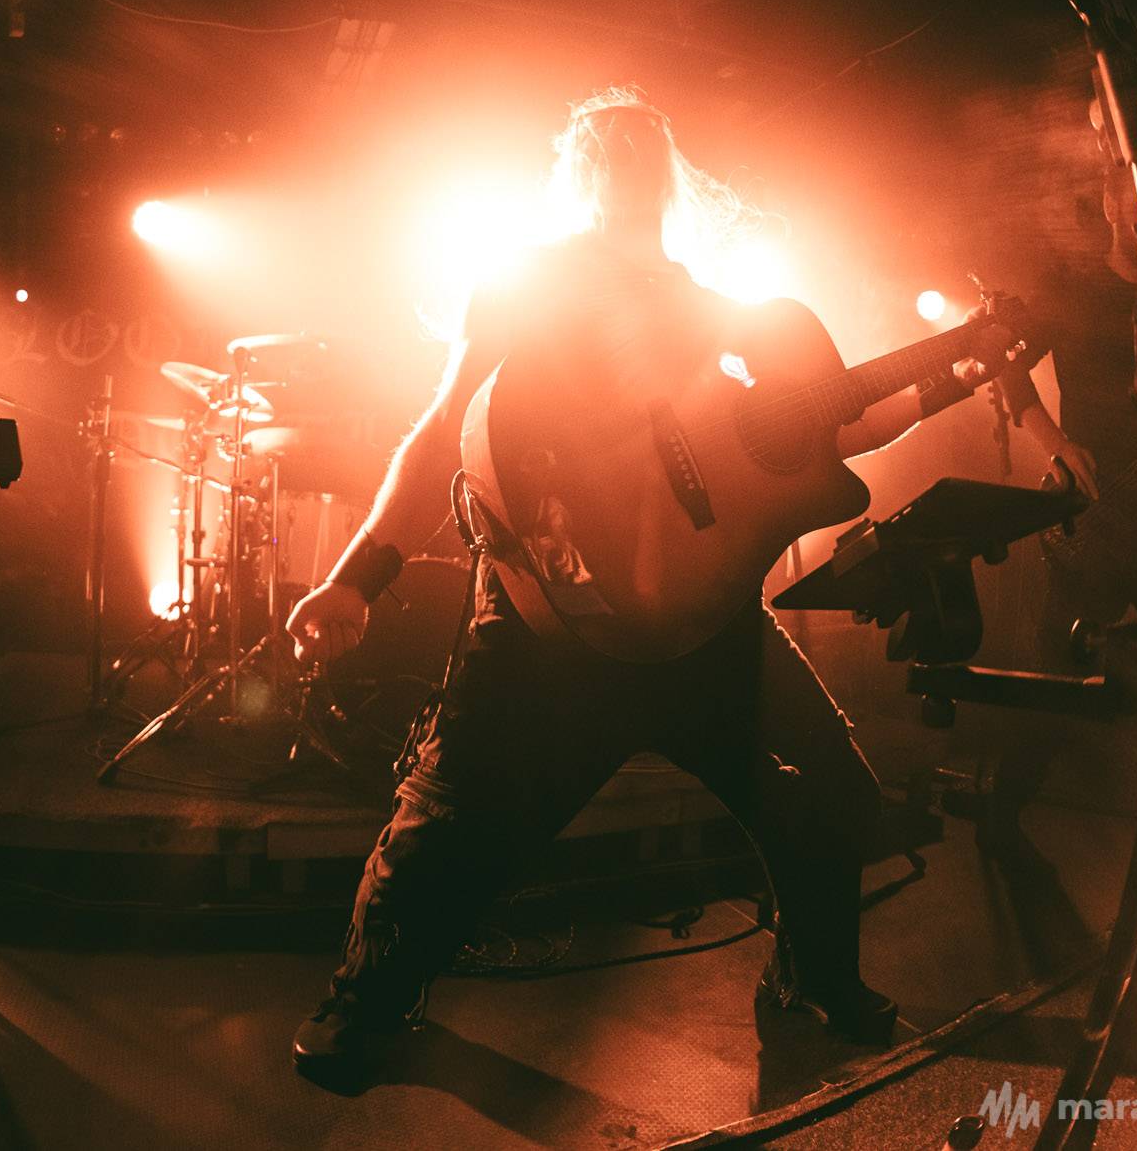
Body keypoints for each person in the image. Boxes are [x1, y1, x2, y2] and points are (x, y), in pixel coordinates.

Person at [284, 88, 1016, 1081]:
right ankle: (364, 1004)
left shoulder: (709, 308)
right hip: (545, 627)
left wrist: (959, 369)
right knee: (450, 822)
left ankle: (811, 977)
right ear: (578, 174)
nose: (627, 156)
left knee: (831, 788)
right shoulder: (525, 285)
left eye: (644, 144)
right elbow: (444, 432)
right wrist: (357, 578)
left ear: (668, 177)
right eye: (608, 145)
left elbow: (838, 426)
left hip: (705, 626)